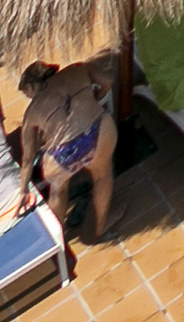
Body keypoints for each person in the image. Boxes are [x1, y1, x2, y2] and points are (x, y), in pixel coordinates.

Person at [16, 57, 117, 238]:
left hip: (61, 154)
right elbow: (108, 81)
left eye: (26, 92)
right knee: (102, 174)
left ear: (31, 86)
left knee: (57, 190)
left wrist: (23, 190)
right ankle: (101, 226)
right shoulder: (77, 69)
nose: (28, 97)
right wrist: (96, 98)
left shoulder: (31, 112)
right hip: (96, 131)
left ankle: (59, 237)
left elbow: (28, 158)